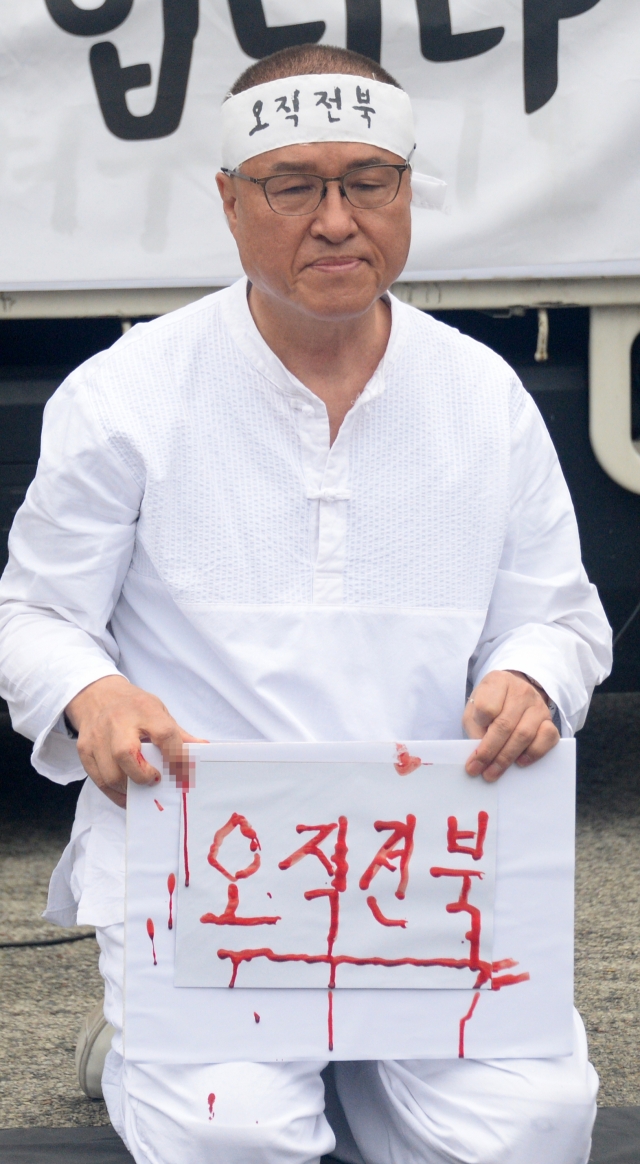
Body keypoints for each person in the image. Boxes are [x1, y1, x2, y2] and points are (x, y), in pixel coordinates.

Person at [0, 41, 611, 1164]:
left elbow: (561, 615)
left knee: (529, 1132)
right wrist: (94, 692)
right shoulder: (128, 394)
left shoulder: (483, 395)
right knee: (233, 1138)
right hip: (208, 858)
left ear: (403, 194)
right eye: (294, 187)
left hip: (430, 860)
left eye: (366, 182)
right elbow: (33, 616)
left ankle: (346, 1063)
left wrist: (529, 676)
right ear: (231, 205)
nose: (336, 219)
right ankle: (174, 1054)